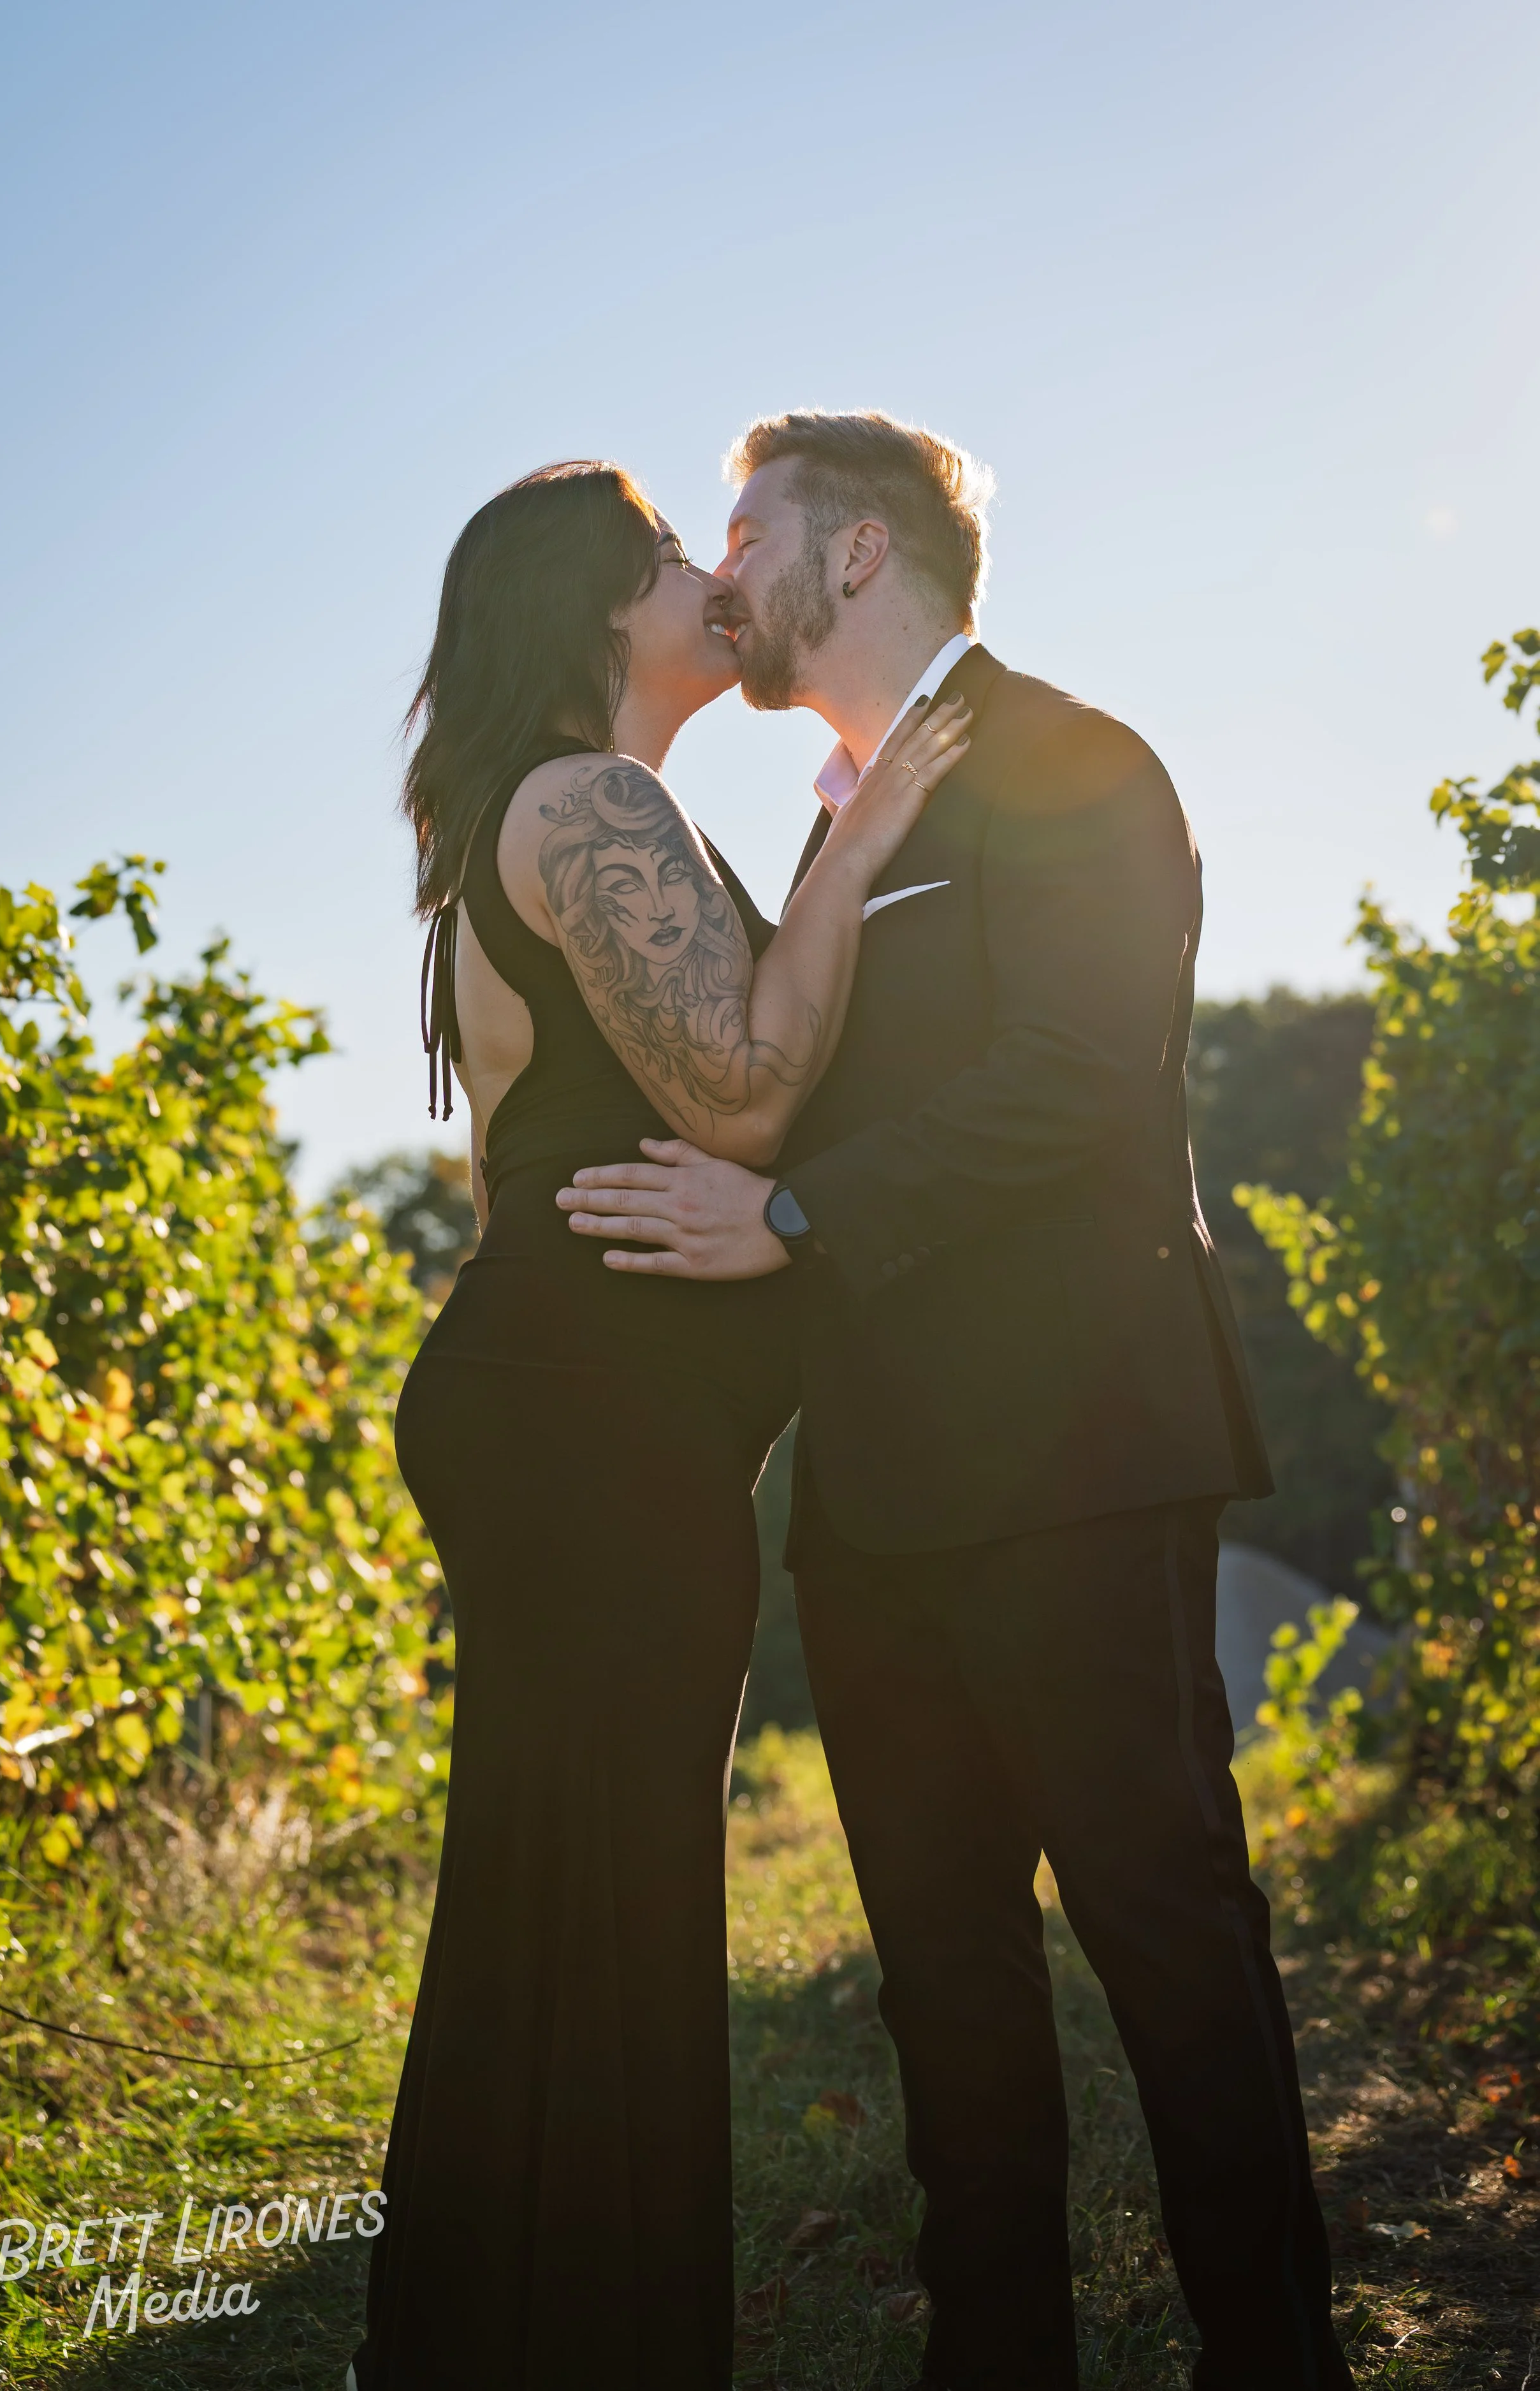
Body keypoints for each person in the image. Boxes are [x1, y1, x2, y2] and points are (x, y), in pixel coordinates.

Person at [562, 412, 1356, 2391]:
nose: (719, 567)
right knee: (939, 1973)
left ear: (854, 558)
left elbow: (1083, 1074)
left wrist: (801, 1208)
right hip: (876, 1497)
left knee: (1166, 1938)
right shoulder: (831, 823)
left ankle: (1276, 2354)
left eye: (743, 528)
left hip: (1084, 1458)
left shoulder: (1074, 761)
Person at [347, 458, 971, 2391]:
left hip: (576, 1422)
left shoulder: (563, 816)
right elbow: (750, 1097)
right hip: (589, 1437)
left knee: (557, 1893)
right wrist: (858, 852)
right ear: (594, 614)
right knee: (606, 1899)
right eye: (667, 557)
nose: (714, 577)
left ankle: (494, 2335)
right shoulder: (590, 800)